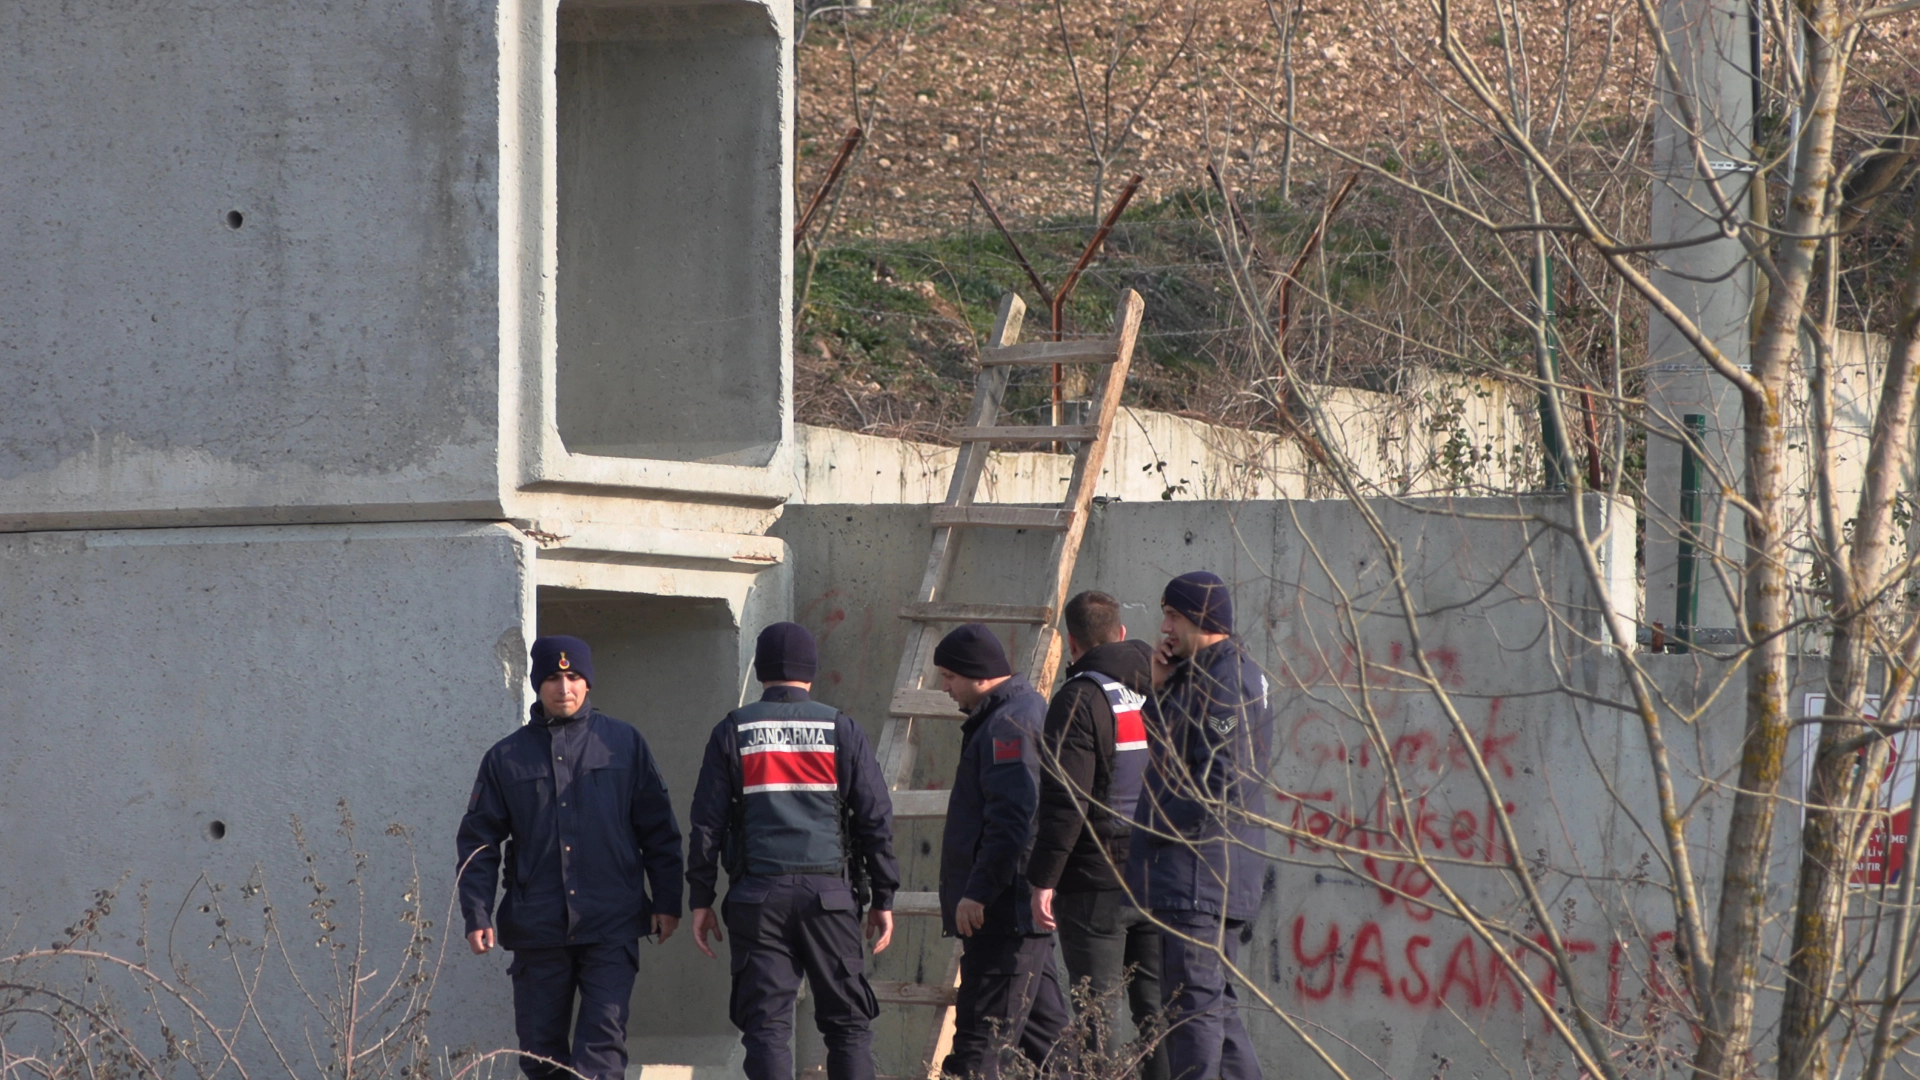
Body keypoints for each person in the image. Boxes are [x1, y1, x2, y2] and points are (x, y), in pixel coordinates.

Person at [457, 635, 685, 1080]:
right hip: (538, 926)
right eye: (552, 678)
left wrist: (666, 901)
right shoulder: (505, 757)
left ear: (588, 682)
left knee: (601, 1051)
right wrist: (476, 913)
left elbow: (659, 830)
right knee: (540, 1055)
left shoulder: (624, 744)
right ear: (537, 684)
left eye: (574, 676)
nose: (564, 688)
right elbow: (479, 843)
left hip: (612, 921)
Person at [685, 622, 901, 1080]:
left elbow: (706, 824)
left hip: (758, 899)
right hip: (830, 899)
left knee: (766, 1028)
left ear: (760, 670)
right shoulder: (839, 727)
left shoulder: (734, 729)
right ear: (811, 670)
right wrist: (883, 896)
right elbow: (875, 818)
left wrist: (701, 899)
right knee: (847, 1025)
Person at [1127, 573, 1272, 1080]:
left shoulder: (1225, 680)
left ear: (1201, 618)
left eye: (1173, 616)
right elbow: (1169, 749)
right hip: (1204, 872)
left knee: (1194, 1013)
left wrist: (1161, 825)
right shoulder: (1204, 674)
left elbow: (1221, 780)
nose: (1165, 628)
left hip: (1198, 874)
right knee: (1216, 1010)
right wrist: (1161, 687)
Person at [1029, 592, 1168, 1080]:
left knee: (1097, 1018)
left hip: (1096, 883)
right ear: (1122, 634)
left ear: (1072, 643)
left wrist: (1044, 878)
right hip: (1157, 875)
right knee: (1158, 1014)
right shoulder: (1160, 688)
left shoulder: (1079, 699)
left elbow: (1068, 802)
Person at [934, 623, 1069, 1080]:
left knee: (979, 1046)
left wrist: (978, 891)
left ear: (978, 673)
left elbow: (1012, 820)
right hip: (1016, 916)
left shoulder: (1009, 723)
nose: (944, 687)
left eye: (949, 676)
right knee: (1050, 1049)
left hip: (1004, 914)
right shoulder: (1011, 714)